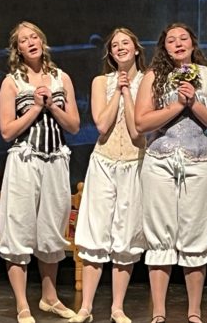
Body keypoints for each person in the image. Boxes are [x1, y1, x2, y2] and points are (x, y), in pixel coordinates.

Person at [134, 23, 207, 323]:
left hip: (198, 159)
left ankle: (194, 311)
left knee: (195, 231)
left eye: (183, 38)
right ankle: (159, 312)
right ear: (164, 47)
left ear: (193, 43)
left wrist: (194, 104)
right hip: (160, 159)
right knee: (159, 233)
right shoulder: (154, 76)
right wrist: (177, 104)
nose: (178, 43)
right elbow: (141, 123)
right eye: (171, 40)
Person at [0, 21, 80, 323]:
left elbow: (74, 125)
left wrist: (53, 106)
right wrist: (34, 107)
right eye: (23, 40)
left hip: (56, 159)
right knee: (19, 228)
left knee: (52, 229)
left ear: (42, 42)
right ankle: (22, 303)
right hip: (25, 159)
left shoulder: (61, 77)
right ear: (17, 49)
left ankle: (49, 297)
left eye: (34, 37)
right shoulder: (12, 82)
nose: (30, 42)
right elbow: (7, 131)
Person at [70, 28, 147, 323]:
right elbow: (102, 125)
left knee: (126, 235)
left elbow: (137, 130)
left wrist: (129, 92)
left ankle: (117, 307)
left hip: (134, 162)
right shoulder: (101, 82)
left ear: (136, 49)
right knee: (95, 233)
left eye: (125, 43)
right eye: (115, 45)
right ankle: (86, 307)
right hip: (103, 161)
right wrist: (117, 90)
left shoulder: (148, 81)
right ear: (111, 54)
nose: (120, 47)